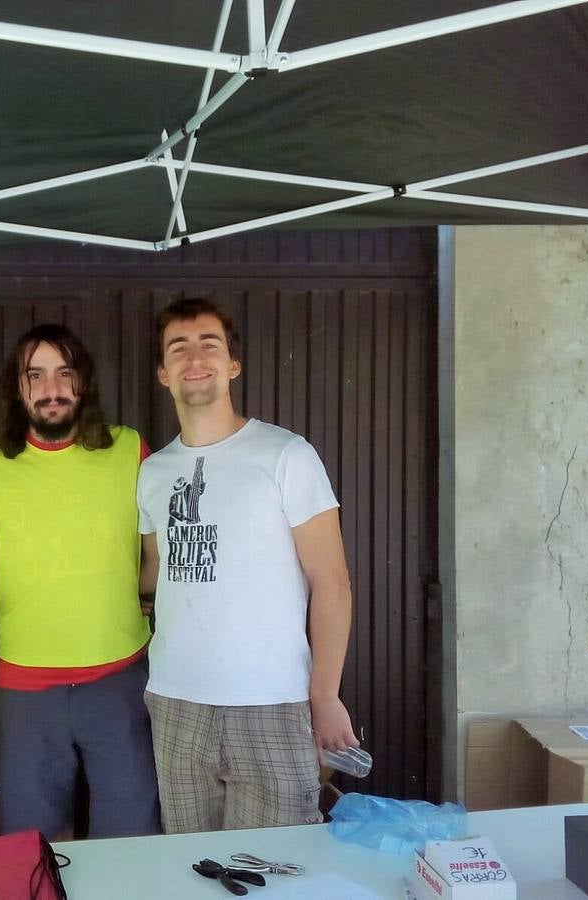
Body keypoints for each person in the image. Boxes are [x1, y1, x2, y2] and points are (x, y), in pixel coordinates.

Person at [136, 297, 359, 833]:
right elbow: (151, 577)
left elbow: (332, 583)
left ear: (233, 364)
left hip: (271, 703)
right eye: (179, 347)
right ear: (163, 373)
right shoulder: (153, 472)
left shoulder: (286, 455)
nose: (195, 357)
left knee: (279, 870)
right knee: (189, 868)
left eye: (209, 344)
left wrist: (325, 697)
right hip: (175, 703)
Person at [0, 323, 160, 839]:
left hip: (119, 678)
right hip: (26, 687)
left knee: (130, 836)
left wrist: (141, 595)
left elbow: (157, 545)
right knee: (29, 845)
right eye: (36, 375)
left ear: (83, 382)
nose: (52, 388)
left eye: (64, 373)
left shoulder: (130, 449)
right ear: (16, 385)